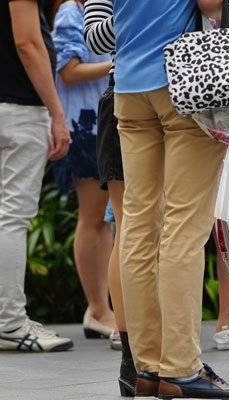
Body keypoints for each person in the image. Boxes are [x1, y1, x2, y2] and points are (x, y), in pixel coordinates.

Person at [112, 0, 229, 397]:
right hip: (186, 83)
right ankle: (181, 368)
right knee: (184, 227)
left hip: (128, 88)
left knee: (139, 227)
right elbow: (211, 5)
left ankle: (147, 366)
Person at [0, 0, 72, 352]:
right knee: (12, 217)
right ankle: (9, 324)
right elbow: (27, 41)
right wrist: (57, 112)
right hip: (18, 109)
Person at [51, 0, 116, 344]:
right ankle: (97, 308)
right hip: (83, 127)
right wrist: (114, 65)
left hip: (101, 125)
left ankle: (101, 308)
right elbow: (67, 69)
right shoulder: (70, 12)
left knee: (103, 220)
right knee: (92, 219)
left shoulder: (96, 10)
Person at [83, 0, 136, 395]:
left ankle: (155, 342)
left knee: (161, 227)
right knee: (129, 225)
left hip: (175, 93)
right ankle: (131, 345)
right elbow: (95, 37)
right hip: (124, 95)